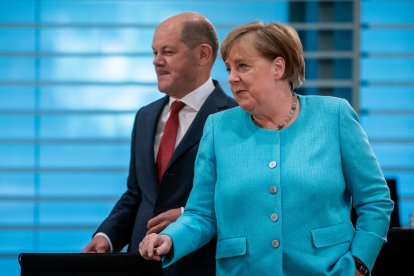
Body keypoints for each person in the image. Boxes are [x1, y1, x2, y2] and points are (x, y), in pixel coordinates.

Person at [139, 21, 394, 276]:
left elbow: (375, 201)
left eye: (243, 66)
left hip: (328, 270)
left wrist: (360, 264)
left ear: (278, 67)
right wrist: (170, 239)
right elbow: (202, 214)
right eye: (228, 68)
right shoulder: (218, 127)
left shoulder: (334, 115)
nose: (232, 78)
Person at [82, 12, 237, 276]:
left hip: (199, 266)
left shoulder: (234, 118)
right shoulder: (145, 116)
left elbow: (243, 198)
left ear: (203, 54)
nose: (156, 61)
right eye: (154, 52)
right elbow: (137, 193)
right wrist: (106, 236)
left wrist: (187, 213)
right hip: (139, 264)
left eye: (167, 51)